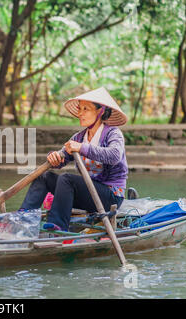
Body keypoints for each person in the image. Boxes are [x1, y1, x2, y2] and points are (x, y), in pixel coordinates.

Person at [20, 87, 129, 231]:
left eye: (86, 109)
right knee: (44, 176)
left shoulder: (113, 133)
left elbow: (114, 156)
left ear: (100, 111)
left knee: (67, 179)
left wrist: (82, 147)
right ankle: (23, 219)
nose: (80, 114)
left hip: (110, 196)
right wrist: (54, 157)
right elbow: (62, 156)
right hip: (89, 194)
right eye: (80, 109)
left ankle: (57, 226)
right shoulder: (78, 137)